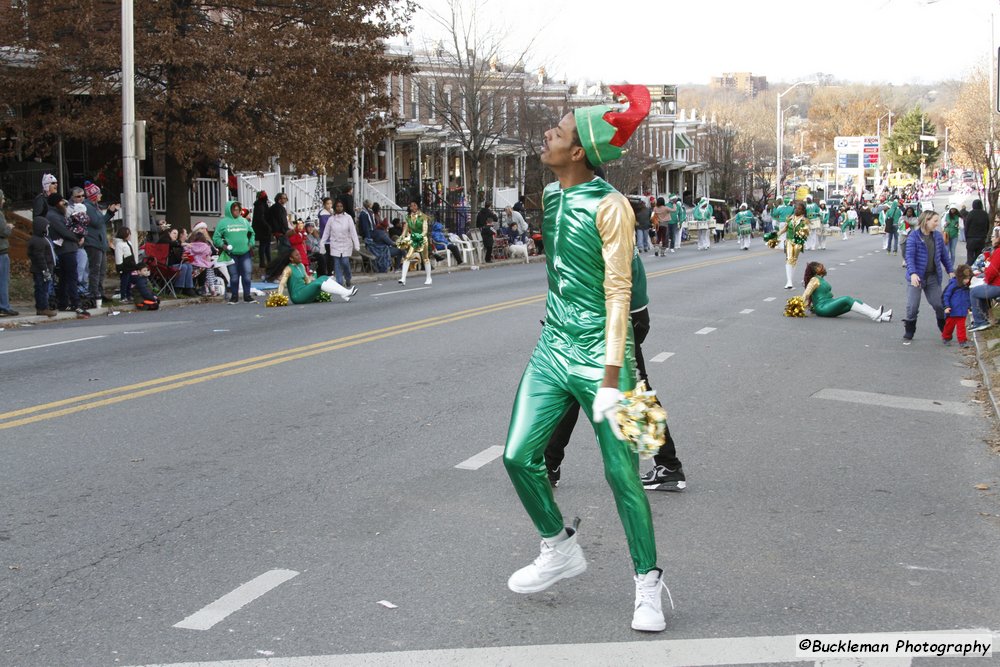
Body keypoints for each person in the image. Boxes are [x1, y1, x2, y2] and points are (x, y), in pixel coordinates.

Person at [501, 85, 668, 633]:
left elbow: (619, 290)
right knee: (518, 456)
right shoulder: (550, 198)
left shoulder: (612, 206)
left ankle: (648, 583)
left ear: (578, 152)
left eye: (559, 131)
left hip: (606, 357)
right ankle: (558, 547)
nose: (548, 134)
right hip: (554, 347)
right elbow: (564, 278)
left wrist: (617, 377)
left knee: (623, 474)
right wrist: (556, 328)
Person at [544, 253, 687, 492]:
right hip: (627, 315)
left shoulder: (594, 225)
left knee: (616, 392)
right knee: (613, 390)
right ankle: (549, 464)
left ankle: (668, 466)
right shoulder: (613, 220)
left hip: (608, 319)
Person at [903, 210, 954, 343]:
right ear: (926, 221)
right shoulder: (913, 236)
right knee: (912, 306)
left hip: (932, 277)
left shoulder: (937, 236)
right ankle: (910, 329)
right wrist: (913, 273)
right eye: (935, 221)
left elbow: (944, 256)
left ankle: (944, 328)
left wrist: (950, 271)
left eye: (938, 221)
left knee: (938, 304)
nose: (937, 224)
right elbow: (909, 257)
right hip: (916, 277)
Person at [801, 261, 891, 322]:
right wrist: (797, 305)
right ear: (815, 270)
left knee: (856, 301)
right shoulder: (813, 280)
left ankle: (880, 316)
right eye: (819, 266)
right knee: (846, 299)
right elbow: (806, 294)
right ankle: (874, 315)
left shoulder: (820, 279)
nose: (822, 267)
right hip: (823, 308)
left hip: (828, 303)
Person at [46, 193, 89, 317]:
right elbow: (64, 231)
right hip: (65, 249)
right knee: (71, 276)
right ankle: (75, 302)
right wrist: (76, 238)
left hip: (68, 248)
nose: (64, 204)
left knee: (65, 278)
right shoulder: (53, 216)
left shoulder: (59, 214)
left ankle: (63, 302)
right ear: (56, 203)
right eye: (61, 202)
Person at [81, 182, 119, 306]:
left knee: (102, 270)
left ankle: (99, 292)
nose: (100, 195)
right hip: (93, 242)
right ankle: (93, 293)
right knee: (95, 269)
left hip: (100, 242)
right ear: (93, 195)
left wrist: (110, 213)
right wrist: (109, 212)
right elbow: (97, 222)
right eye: (98, 193)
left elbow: (101, 222)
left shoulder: (95, 206)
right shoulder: (88, 207)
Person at [276, 249, 357, 304]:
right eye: (296, 255)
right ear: (291, 258)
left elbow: (308, 281)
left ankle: (344, 292)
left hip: (305, 291)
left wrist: (313, 275)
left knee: (323, 277)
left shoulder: (301, 266)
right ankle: (345, 293)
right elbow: (282, 284)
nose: (299, 256)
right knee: (318, 282)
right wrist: (279, 297)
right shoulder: (288, 269)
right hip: (297, 296)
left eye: (299, 254)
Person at [214, 200, 256, 303]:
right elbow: (216, 237)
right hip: (231, 254)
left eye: (238, 210)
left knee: (247, 274)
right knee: (234, 276)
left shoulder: (244, 221)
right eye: (234, 210)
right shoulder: (223, 223)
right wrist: (222, 245)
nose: (237, 212)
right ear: (230, 210)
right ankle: (234, 296)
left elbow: (252, 233)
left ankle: (247, 296)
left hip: (245, 252)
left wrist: (251, 243)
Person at [319, 199, 359, 287]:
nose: (339, 208)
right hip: (335, 244)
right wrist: (322, 243)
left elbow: (353, 231)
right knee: (336, 264)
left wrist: (356, 244)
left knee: (345, 262)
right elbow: (326, 232)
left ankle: (348, 277)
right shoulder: (331, 219)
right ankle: (339, 282)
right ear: (335, 207)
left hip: (346, 243)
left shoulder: (348, 218)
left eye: (341, 206)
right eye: (337, 206)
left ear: (343, 207)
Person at [398, 200, 432, 286]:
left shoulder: (423, 217)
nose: (412, 207)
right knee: (407, 257)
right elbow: (406, 229)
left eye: (414, 205)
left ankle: (429, 278)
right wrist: (402, 236)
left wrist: (419, 236)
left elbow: (425, 231)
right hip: (413, 239)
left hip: (422, 239)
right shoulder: (408, 217)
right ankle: (403, 278)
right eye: (411, 206)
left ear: (418, 206)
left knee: (425, 258)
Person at [28, 216, 56, 317]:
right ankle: (42, 307)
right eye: (46, 227)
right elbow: (39, 257)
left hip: (45, 268)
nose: (47, 229)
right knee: (42, 289)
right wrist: (45, 270)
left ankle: (43, 306)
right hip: (41, 269)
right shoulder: (38, 241)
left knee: (44, 288)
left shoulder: (42, 239)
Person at [779, 201, 809, 289]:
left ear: (803, 211)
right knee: (789, 259)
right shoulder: (790, 218)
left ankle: (790, 279)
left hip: (798, 242)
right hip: (789, 240)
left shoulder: (805, 220)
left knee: (794, 260)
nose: (797, 210)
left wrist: (803, 232)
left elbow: (806, 232)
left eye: (799, 209)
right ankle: (789, 281)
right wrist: (778, 233)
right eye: (796, 208)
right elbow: (785, 228)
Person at [942, 264, 973, 346]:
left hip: (962, 310)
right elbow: (945, 296)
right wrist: (946, 306)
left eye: (968, 278)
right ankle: (946, 337)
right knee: (949, 326)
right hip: (952, 311)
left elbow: (968, 298)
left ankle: (962, 341)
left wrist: (969, 306)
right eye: (965, 278)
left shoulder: (967, 287)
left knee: (961, 326)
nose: (967, 280)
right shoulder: (953, 285)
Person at [165, 228, 198, 296]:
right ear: (169, 234)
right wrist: (183, 244)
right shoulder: (167, 242)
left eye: (176, 234)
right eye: (174, 233)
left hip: (176, 265)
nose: (176, 235)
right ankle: (178, 288)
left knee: (188, 265)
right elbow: (171, 244)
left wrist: (183, 258)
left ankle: (188, 288)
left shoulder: (178, 245)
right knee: (184, 267)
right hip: (166, 266)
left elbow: (178, 259)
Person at [0, 189, 16, 316]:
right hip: (1, 251)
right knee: (3, 280)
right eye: (2, 198)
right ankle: (4, 306)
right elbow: (3, 232)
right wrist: (9, 227)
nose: (4, 201)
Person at [964, 199, 990, 265]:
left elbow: (966, 227)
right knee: (979, 257)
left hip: (971, 238)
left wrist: (966, 237)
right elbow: (987, 226)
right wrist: (984, 235)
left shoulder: (971, 214)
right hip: (981, 238)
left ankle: (969, 271)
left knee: (970, 257)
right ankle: (976, 271)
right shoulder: (985, 214)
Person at [251, 191, 271, 270]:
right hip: (262, 229)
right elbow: (261, 218)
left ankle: (267, 261)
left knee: (266, 245)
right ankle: (263, 262)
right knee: (264, 245)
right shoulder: (260, 205)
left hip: (262, 228)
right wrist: (267, 226)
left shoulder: (261, 204)